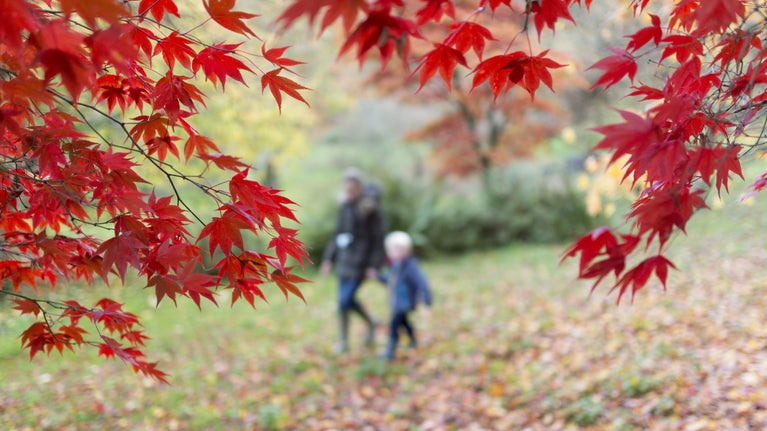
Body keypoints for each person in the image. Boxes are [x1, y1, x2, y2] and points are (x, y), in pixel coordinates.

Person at [321, 168, 386, 353]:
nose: (348, 193)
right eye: (346, 189)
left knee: (345, 300)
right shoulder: (344, 207)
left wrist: (374, 265)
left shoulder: (369, 208)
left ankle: (371, 322)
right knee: (343, 303)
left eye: (352, 190)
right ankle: (344, 340)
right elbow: (337, 233)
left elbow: (378, 239)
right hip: (344, 261)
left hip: (361, 264)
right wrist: (328, 259)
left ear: (359, 188)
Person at [378, 231, 432, 361]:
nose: (390, 253)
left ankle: (390, 352)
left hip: (405, 302)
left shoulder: (410, 266)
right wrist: (377, 276)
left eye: (394, 250)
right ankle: (413, 341)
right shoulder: (395, 266)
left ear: (405, 250)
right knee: (404, 322)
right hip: (397, 302)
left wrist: (426, 299)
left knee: (394, 325)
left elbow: (421, 282)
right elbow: (389, 280)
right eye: (390, 250)